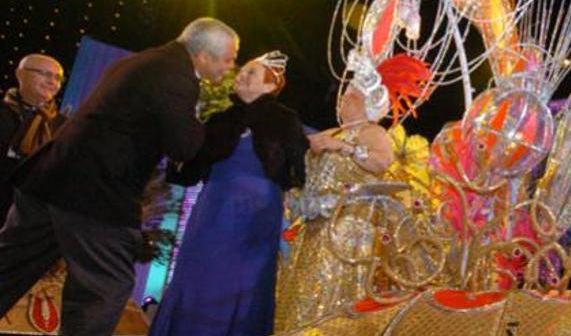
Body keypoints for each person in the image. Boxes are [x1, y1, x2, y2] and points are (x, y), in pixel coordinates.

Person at [0, 17, 238, 336]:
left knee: (9, 267)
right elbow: (184, 145)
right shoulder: (175, 76)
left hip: (50, 178)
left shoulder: (146, 61)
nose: (231, 66)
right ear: (204, 55)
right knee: (105, 285)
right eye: (229, 58)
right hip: (93, 191)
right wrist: (205, 121)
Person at [148, 51, 308, 336]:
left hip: (258, 217)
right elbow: (189, 168)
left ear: (271, 86)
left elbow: (298, 170)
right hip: (214, 211)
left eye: (251, 73)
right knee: (199, 277)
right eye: (242, 71)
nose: (242, 76)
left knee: (244, 286)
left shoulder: (285, 121)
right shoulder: (220, 119)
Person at [274, 51, 430, 331]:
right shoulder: (333, 131)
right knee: (302, 295)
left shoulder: (371, 132)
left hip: (346, 229)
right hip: (314, 226)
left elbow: (381, 161)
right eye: (345, 95)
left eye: (352, 96)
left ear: (367, 103)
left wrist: (344, 148)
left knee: (331, 298)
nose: (344, 99)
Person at [0, 54, 67, 221]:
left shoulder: (63, 126)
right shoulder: (3, 112)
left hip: (28, 215)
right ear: (20, 74)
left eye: (58, 78)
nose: (53, 82)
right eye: (45, 74)